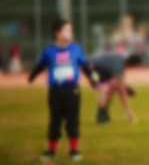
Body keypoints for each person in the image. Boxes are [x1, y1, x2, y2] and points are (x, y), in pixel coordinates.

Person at [28, 19, 95, 162]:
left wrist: (92, 78)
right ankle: (51, 150)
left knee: (73, 120)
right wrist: (32, 76)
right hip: (56, 91)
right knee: (55, 120)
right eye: (67, 30)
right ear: (57, 33)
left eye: (71, 30)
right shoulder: (49, 51)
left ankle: (74, 150)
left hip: (72, 90)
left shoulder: (76, 49)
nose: (70, 33)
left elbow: (84, 65)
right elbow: (40, 65)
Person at [90, 47, 137, 124]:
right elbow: (122, 92)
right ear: (131, 63)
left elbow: (119, 84)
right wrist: (128, 111)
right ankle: (101, 115)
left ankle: (104, 112)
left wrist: (125, 87)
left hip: (98, 68)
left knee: (112, 87)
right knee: (105, 89)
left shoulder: (121, 60)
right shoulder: (119, 66)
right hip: (94, 68)